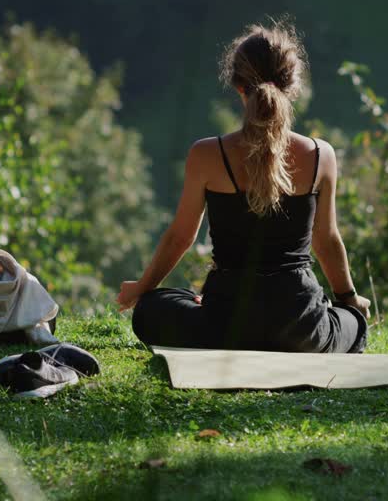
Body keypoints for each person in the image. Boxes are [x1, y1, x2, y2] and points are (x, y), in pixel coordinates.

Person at [117, 22, 371, 353]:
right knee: (353, 321)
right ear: (292, 86)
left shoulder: (206, 155)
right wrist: (349, 300)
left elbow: (181, 236)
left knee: (152, 307)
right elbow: (326, 240)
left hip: (225, 324)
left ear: (239, 87)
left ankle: (197, 306)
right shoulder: (322, 155)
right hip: (300, 329)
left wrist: (141, 288)